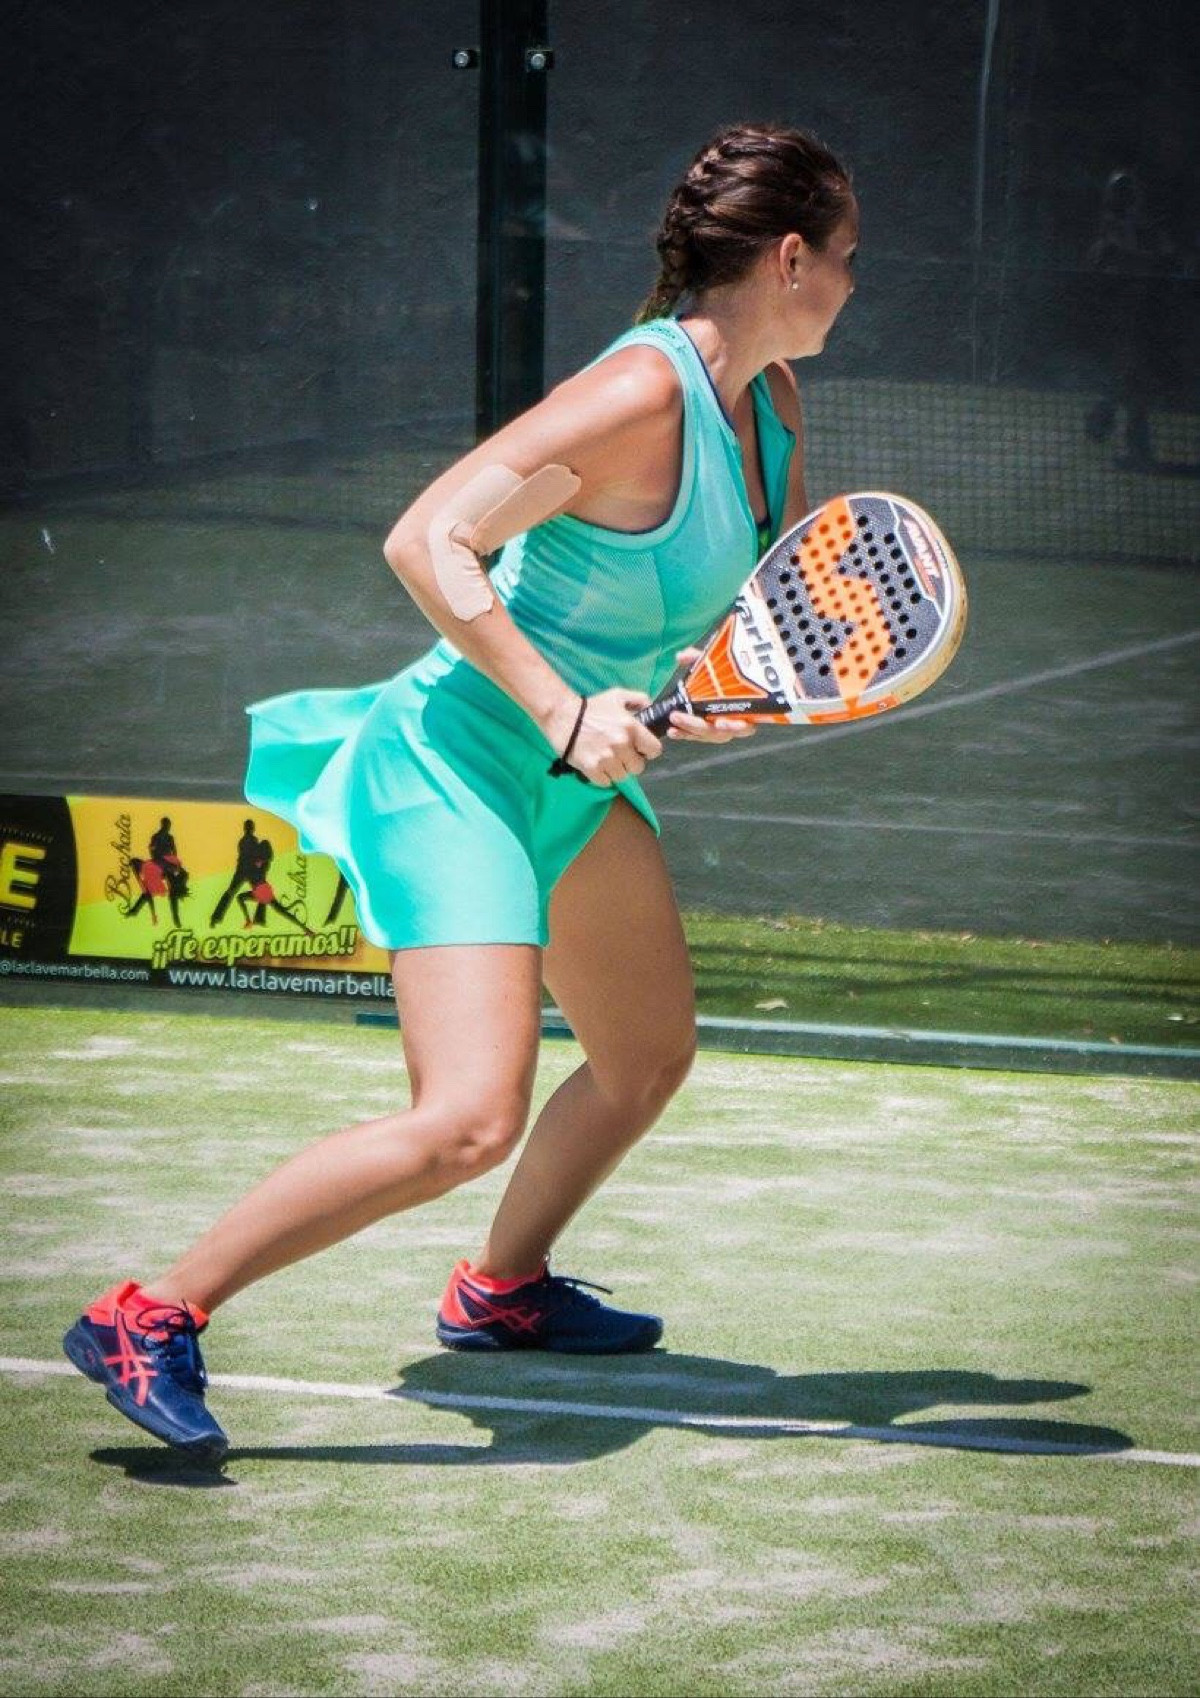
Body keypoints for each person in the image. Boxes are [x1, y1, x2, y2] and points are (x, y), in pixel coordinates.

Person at [62, 122, 858, 1461]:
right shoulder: (639, 395)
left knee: (647, 1055)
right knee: (469, 1120)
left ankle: (499, 1291)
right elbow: (430, 537)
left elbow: (704, 616)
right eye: (845, 256)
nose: (851, 282)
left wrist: (696, 691)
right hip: (462, 761)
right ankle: (148, 1314)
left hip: (570, 780)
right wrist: (562, 710)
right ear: (790, 258)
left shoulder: (770, 412)